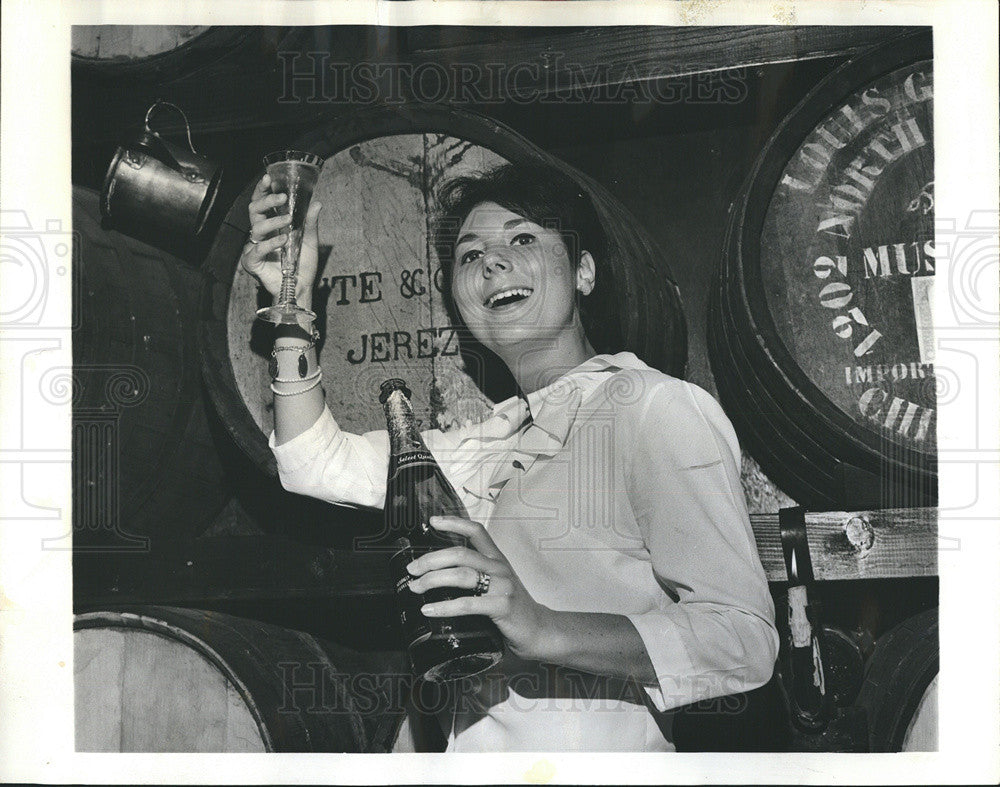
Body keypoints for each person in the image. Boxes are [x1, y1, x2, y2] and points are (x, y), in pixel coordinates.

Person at [240, 162, 779, 752]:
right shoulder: (484, 441)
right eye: (470, 256)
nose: (491, 262)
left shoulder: (655, 408)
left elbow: (743, 640)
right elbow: (311, 460)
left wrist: (541, 626)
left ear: (584, 272)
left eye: (523, 239)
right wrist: (288, 300)